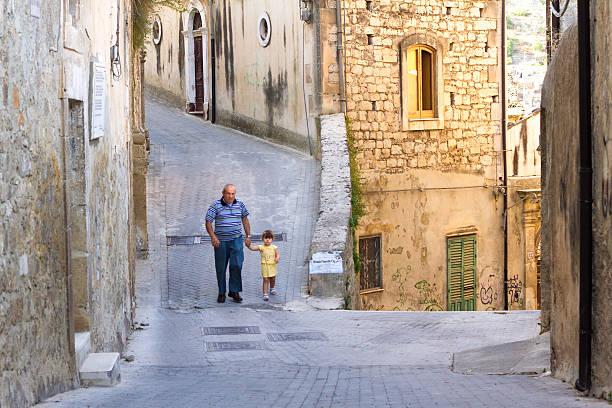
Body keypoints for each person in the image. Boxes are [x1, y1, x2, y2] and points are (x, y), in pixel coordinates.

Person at [205, 184, 251, 303]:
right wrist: (213, 237)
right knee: (221, 267)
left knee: (237, 265)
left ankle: (234, 291)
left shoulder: (240, 204)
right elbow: (208, 222)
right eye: (228, 193)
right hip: (221, 242)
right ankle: (221, 292)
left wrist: (248, 236)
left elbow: (245, 219)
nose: (231, 196)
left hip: (236, 240)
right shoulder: (215, 205)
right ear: (223, 193)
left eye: (233, 193)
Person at [246, 230, 279, 301]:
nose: (267, 240)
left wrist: (277, 258)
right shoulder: (261, 247)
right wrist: (249, 246)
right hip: (265, 266)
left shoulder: (274, 247)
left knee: (273, 278)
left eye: (269, 238)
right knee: (266, 279)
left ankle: (272, 288)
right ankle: (265, 293)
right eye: (266, 238)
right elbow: (253, 248)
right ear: (262, 239)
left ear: (272, 239)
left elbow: (277, 254)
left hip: (272, 265)